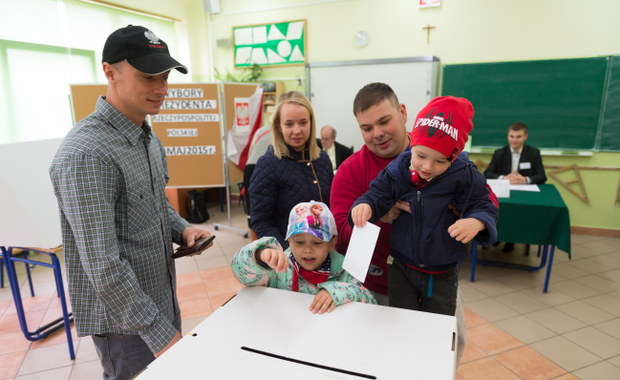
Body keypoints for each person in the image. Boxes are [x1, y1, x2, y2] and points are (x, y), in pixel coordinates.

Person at [49, 25, 212, 379]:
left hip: (159, 298)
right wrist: (159, 333)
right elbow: (103, 266)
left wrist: (182, 229)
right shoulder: (87, 154)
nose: (161, 89)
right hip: (126, 324)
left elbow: (154, 205)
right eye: (148, 77)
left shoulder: (146, 137)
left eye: (165, 76)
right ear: (109, 71)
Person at [350, 95, 498, 321]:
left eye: (440, 161)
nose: (427, 167)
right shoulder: (398, 167)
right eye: (420, 156)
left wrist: (476, 221)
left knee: (437, 326)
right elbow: (378, 193)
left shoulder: (464, 174)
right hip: (400, 266)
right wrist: (365, 205)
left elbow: (483, 203)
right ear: (413, 145)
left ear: (454, 156)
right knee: (402, 323)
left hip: (441, 271)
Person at [232, 201, 377, 313]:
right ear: (288, 240)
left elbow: (370, 302)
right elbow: (241, 274)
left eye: (317, 242)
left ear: (332, 243)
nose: (308, 249)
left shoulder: (345, 270)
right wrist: (258, 256)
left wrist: (337, 291)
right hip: (285, 335)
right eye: (299, 242)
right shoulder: (277, 268)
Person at [249, 91, 334, 248]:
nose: (297, 131)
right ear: (279, 127)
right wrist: (290, 253)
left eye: (303, 123)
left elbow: (331, 208)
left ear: (311, 123)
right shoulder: (268, 164)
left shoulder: (322, 159)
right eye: (289, 124)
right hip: (289, 258)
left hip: (324, 253)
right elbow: (260, 221)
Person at [484, 121, 546, 252]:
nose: (514, 140)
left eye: (518, 136)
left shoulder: (534, 153)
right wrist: (503, 178)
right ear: (508, 136)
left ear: (525, 137)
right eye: (511, 136)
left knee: (518, 213)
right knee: (498, 210)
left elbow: (542, 176)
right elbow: (488, 173)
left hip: (524, 193)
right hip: (503, 191)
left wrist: (525, 179)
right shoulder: (499, 153)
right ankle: (497, 236)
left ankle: (511, 240)